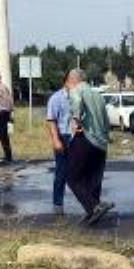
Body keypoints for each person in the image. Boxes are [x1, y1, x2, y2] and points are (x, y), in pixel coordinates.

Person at [65, 68, 113, 225]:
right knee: (93, 178)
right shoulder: (98, 95)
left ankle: (94, 207)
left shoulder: (76, 90)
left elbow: (77, 103)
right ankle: (92, 212)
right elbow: (106, 120)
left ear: (73, 80)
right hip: (101, 142)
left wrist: (77, 120)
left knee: (72, 176)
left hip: (86, 138)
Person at [45, 72, 74, 211]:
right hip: (63, 136)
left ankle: (90, 203)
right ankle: (58, 203)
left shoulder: (79, 97)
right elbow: (51, 121)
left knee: (81, 171)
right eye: (73, 82)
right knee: (61, 171)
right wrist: (56, 140)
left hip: (77, 137)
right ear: (66, 82)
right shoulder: (56, 98)